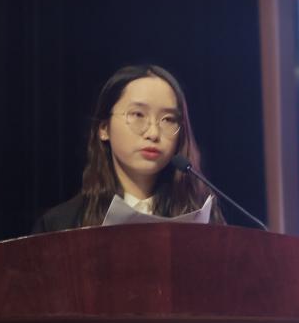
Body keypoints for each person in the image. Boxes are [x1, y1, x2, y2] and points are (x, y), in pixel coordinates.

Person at [32, 64, 224, 233]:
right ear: (104, 128)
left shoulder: (203, 218)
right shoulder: (62, 224)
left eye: (168, 119)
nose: (153, 133)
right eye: (138, 115)